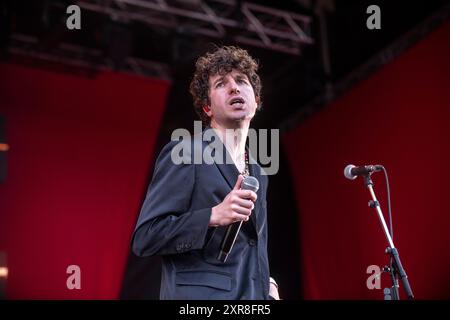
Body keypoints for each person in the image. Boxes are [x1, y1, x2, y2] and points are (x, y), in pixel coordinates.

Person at [131, 46, 280, 300]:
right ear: (207, 108)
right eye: (221, 83)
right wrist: (213, 215)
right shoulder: (186, 152)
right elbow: (146, 237)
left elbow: (252, 246)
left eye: (241, 81)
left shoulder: (258, 171)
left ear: (256, 100)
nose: (234, 88)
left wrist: (267, 283)